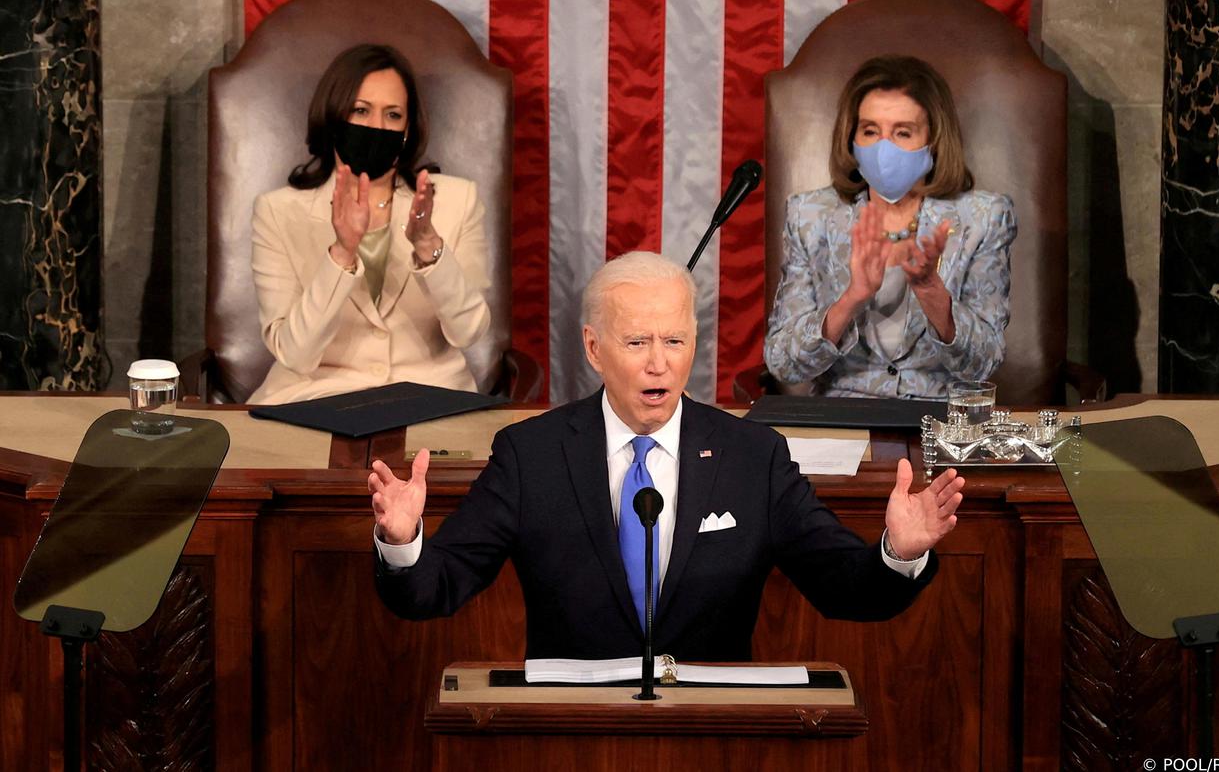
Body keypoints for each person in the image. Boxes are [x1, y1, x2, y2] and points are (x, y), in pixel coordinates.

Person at [369, 252, 964, 661]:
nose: (659, 363)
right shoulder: (532, 454)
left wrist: (897, 555)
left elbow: (846, 589)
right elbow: (433, 590)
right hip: (569, 731)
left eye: (674, 341)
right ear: (595, 348)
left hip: (714, 732)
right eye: (637, 342)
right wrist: (402, 542)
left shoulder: (753, 456)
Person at [247, 44, 491, 405]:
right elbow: (295, 354)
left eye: (393, 115)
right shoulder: (277, 211)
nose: (377, 127)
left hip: (429, 401)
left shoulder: (458, 200)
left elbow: (469, 332)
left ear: (408, 129)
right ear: (333, 117)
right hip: (314, 401)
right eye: (361, 111)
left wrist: (428, 246)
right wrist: (342, 252)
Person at [764, 55, 1016, 400]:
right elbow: (783, 364)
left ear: (934, 141)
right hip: (843, 420)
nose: (884, 148)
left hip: (940, 422)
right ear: (851, 138)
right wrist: (851, 300)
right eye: (870, 131)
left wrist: (932, 294)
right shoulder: (811, 216)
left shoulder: (983, 218)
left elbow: (985, 363)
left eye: (903, 132)